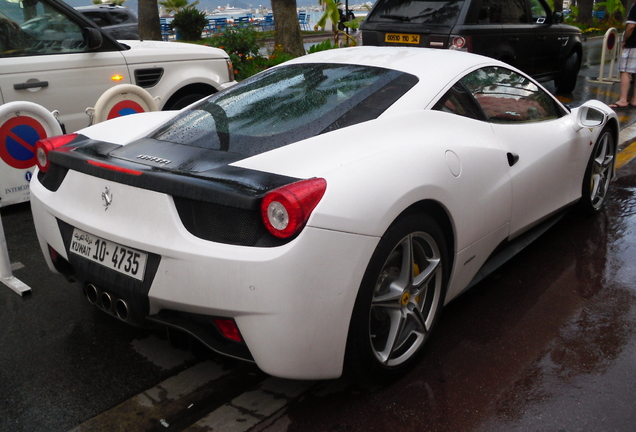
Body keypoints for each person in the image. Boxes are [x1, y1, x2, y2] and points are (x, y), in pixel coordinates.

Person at [611, 0, 636, 109]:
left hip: (633, 44)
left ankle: (623, 100)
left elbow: (631, 26)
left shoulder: (635, 7)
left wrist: (624, 40)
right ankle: (635, 100)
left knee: (625, 71)